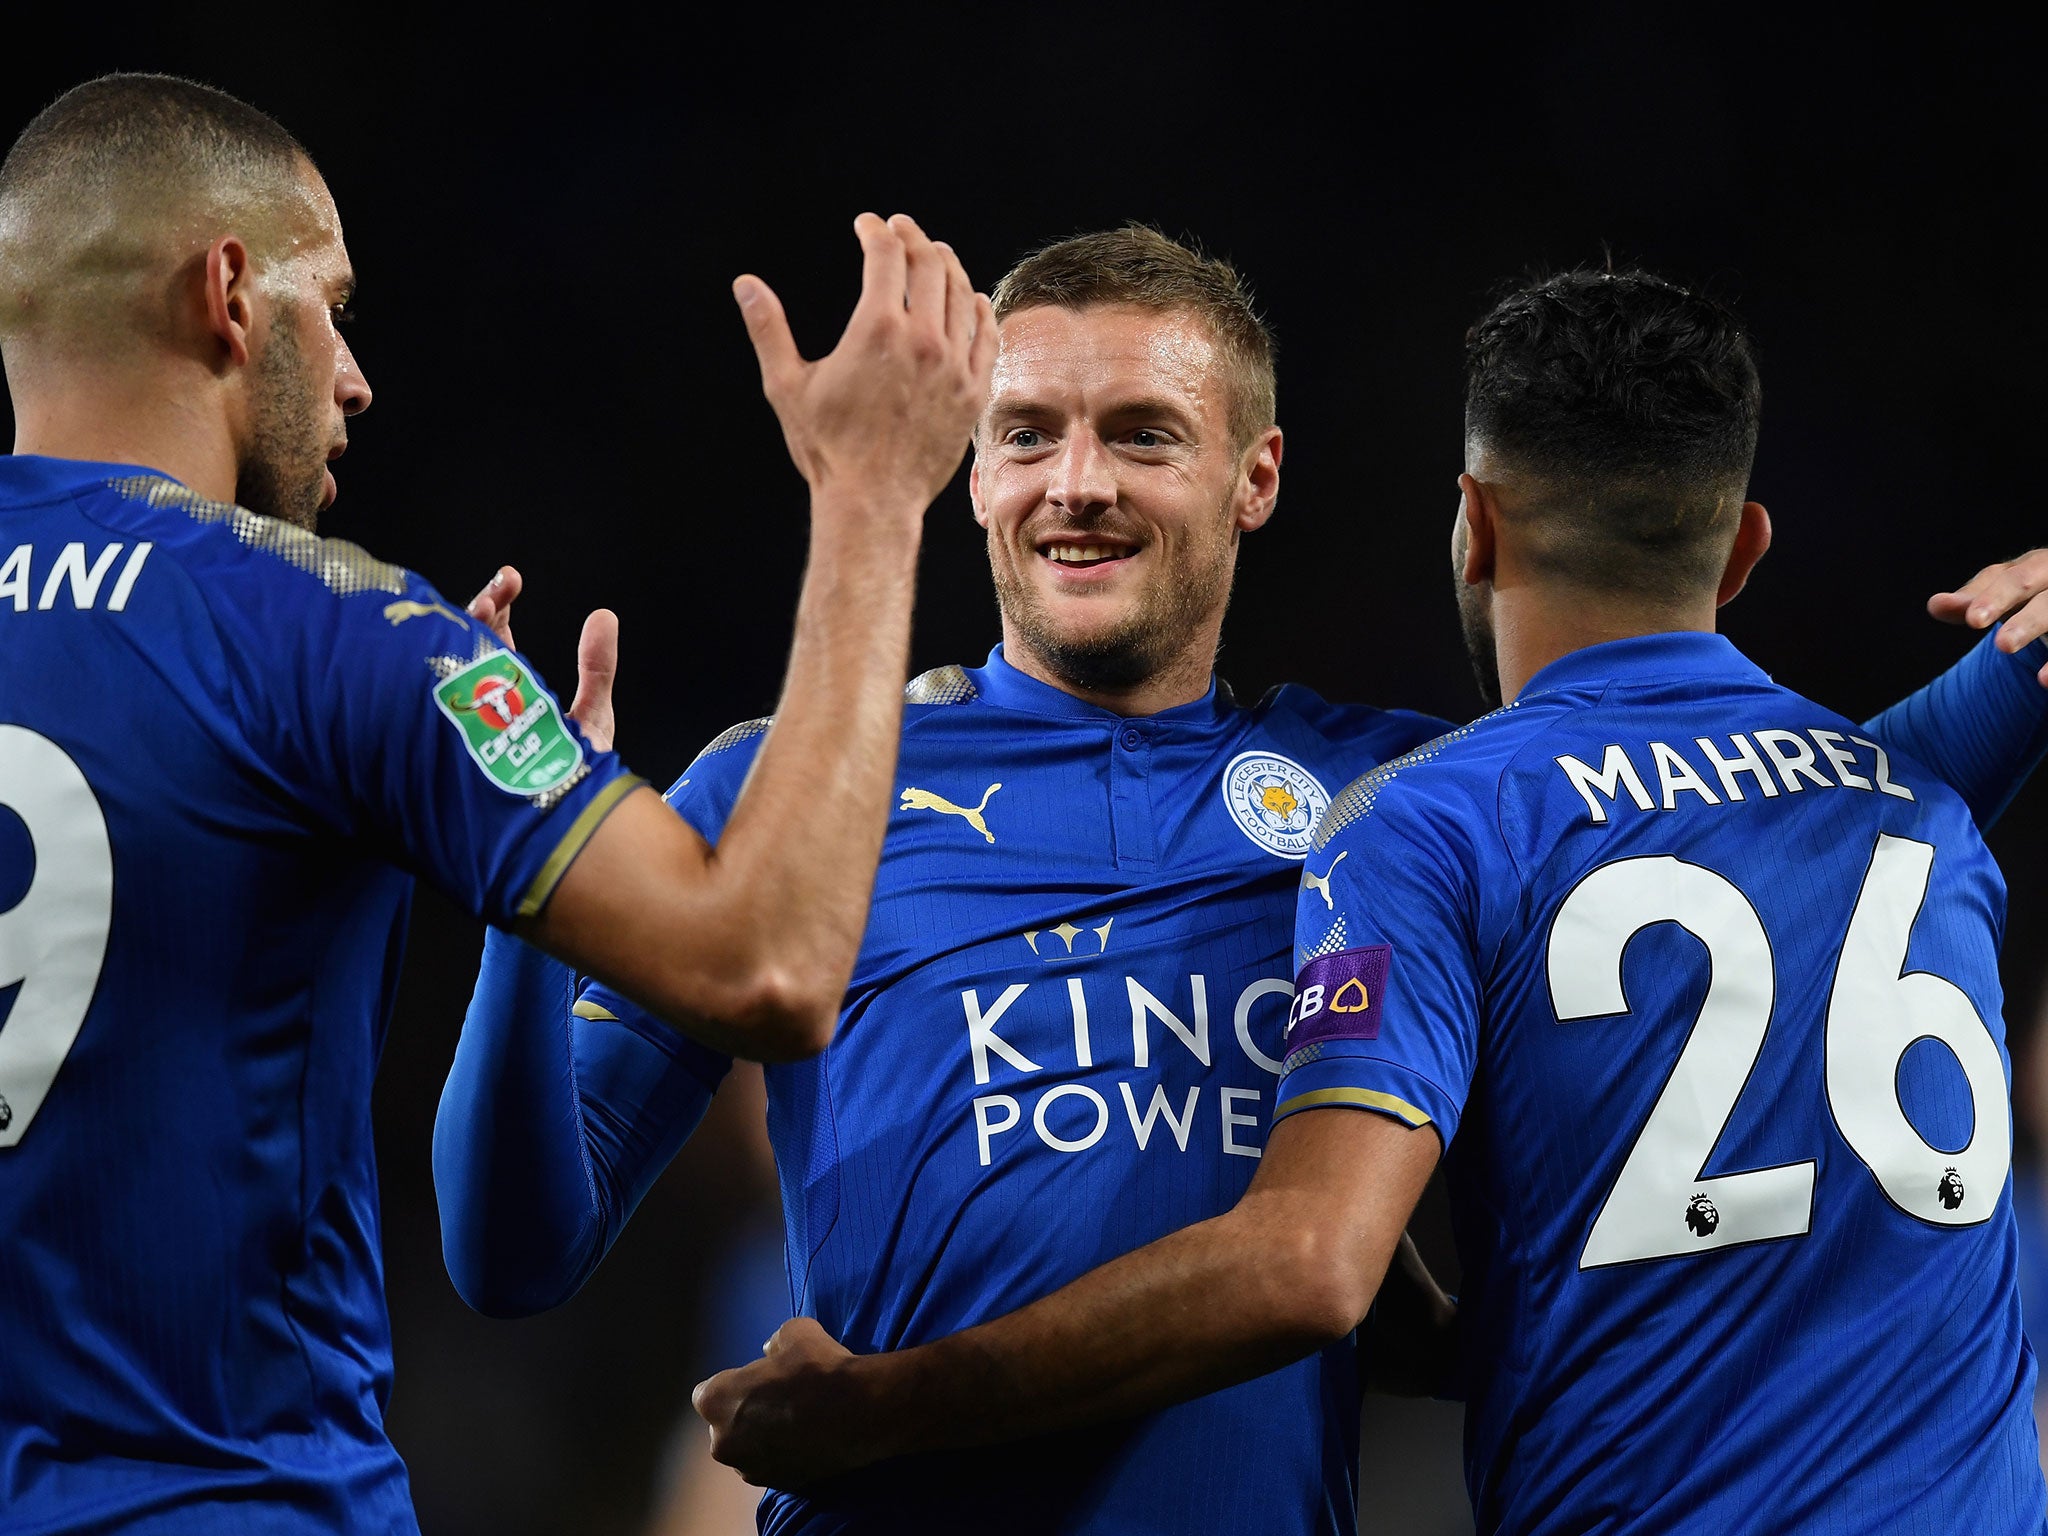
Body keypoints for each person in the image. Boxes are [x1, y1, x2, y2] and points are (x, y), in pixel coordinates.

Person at [441, 231, 2048, 1535]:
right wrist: (533, 886)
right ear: (973, 473)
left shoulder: (1404, 796)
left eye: (1142, 436)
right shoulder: (794, 780)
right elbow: (513, 1249)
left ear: (1254, 478)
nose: (1078, 484)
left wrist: (2022, 669)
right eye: (1025, 437)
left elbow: (1795, 801)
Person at [0, 72, 992, 1534]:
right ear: (227, 291)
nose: (354, 375)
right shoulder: (334, 635)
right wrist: (872, 495)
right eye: (327, 304)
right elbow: (764, 962)